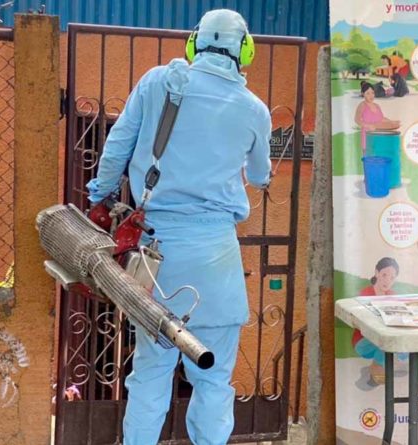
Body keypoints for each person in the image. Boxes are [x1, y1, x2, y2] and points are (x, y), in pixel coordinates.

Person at [85, 9, 272, 445]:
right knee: (214, 379)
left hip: (158, 257)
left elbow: (117, 147)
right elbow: (261, 176)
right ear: (245, 50)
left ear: (194, 42)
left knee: (150, 374)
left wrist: (99, 197)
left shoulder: (158, 83)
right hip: (217, 260)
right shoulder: (254, 110)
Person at [352, 257, 399, 385]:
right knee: (385, 344)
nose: (387, 280)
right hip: (364, 341)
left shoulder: (393, 295)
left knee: (403, 347)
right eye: (384, 275)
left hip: (385, 336)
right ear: (376, 273)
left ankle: (383, 368)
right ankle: (376, 371)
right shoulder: (365, 294)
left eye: (392, 277)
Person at [355, 82, 401, 154]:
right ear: (362, 94)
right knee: (368, 156)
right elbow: (357, 120)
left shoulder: (377, 106)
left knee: (379, 154)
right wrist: (368, 125)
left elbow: (381, 118)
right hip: (368, 135)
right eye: (368, 93)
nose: (371, 96)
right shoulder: (362, 105)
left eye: (372, 93)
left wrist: (392, 122)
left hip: (378, 134)